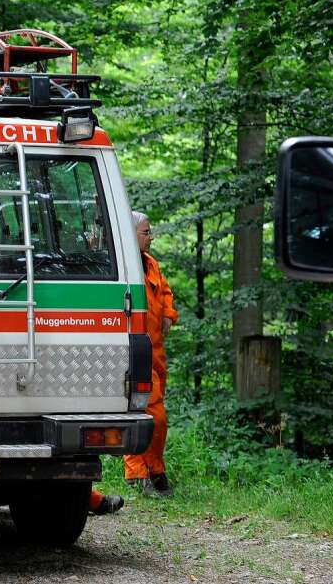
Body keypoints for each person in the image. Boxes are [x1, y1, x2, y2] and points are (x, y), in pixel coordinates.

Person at [124, 211, 178, 497]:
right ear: (131, 233)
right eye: (146, 232)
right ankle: (138, 473)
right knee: (149, 414)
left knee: (157, 416)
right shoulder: (124, 265)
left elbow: (166, 293)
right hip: (138, 350)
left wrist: (169, 314)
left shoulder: (151, 264)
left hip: (157, 353)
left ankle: (155, 471)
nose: (151, 236)